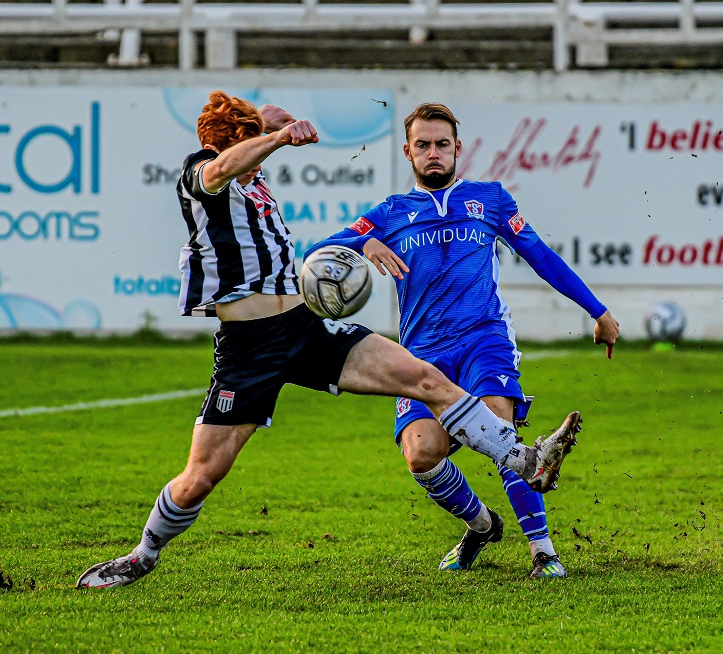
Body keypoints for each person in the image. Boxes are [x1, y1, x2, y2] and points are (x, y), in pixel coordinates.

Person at [76, 92, 582, 589]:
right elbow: (227, 163)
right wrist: (272, 136)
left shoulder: (253, 182)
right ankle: (142, 556)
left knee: (423, 378)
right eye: (249, 141)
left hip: (304, 326)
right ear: (233, 146)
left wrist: (268, 120)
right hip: (248, 348)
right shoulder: (202, 177)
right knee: (202, 475)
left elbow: (255, 144)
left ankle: (526, 461)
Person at [305, 102, 620, 578]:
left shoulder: (489, 199)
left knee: (497, 425)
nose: (434, 153)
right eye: (424, 145)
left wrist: (597, 311)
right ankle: (481, 526)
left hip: (483, 339)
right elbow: (315, 255)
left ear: (458, 149)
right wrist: (362, 243)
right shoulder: (390, 213)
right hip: (422, 355)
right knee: (421, 454)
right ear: (408, 152)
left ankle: (542, 550)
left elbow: (539, 255)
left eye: (443, 145)